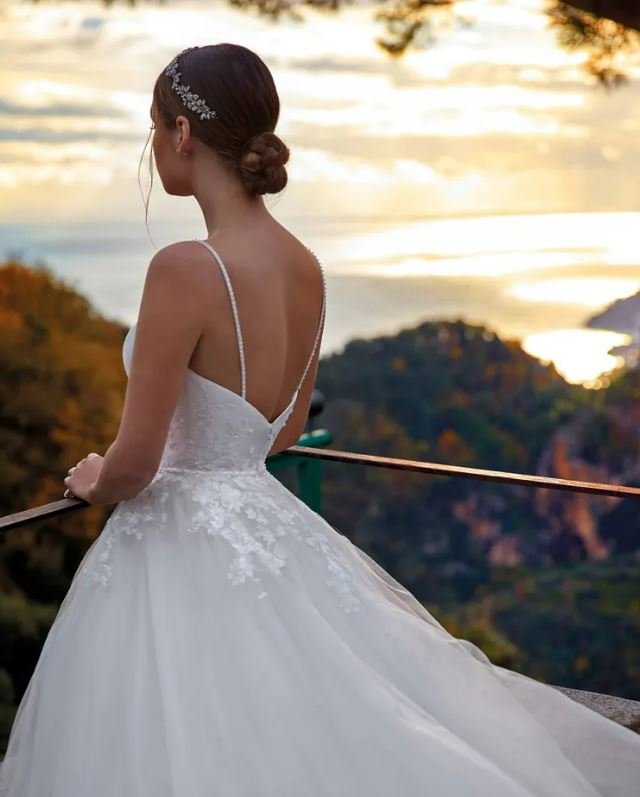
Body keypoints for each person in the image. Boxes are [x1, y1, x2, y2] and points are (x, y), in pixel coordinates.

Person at [1, 43, 639, 797]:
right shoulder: (306, 266)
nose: (153, 146)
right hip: (270, 525)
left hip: (177, 544)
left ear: (180, 134)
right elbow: (286, 429)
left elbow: (135, 464)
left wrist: (93, 474)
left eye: (153, 128)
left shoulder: (183, 269)